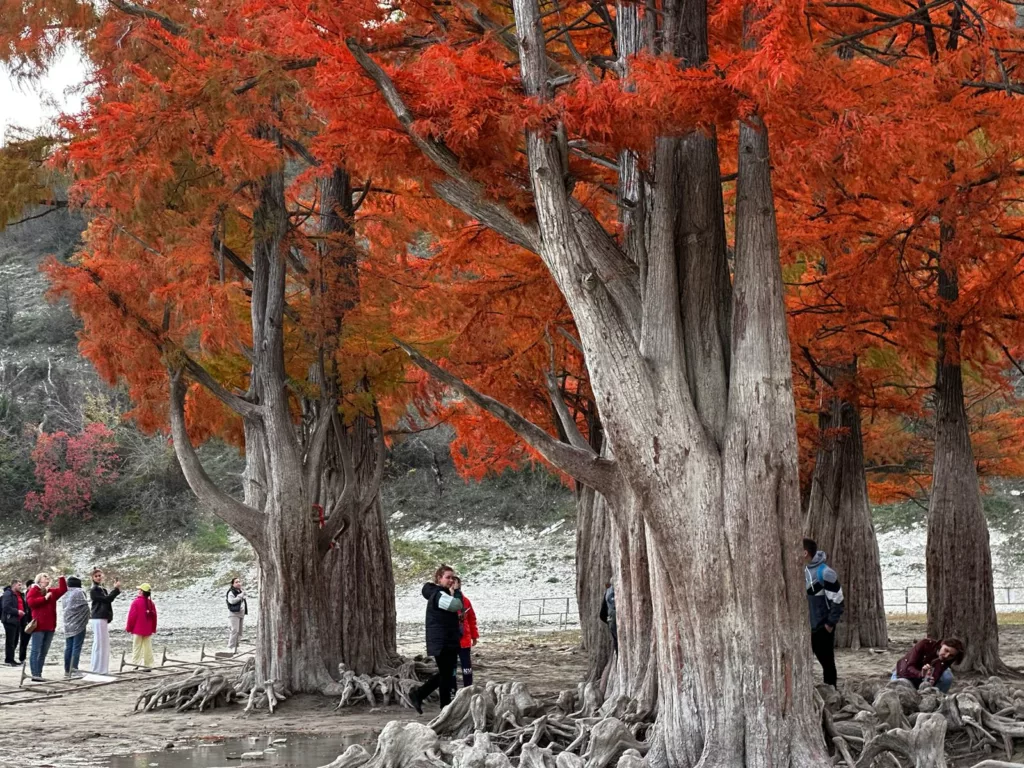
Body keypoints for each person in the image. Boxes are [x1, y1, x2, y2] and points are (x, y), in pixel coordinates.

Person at [410, 564, 463, 714]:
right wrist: (457, 592)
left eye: (453, 577)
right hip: (443, 642)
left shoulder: (441, 593)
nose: (451, 580)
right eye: (448, 577)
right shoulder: (439, 595)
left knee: (447, 674)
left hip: (447, 640)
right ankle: (421, 695)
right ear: (439, 579)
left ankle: (443, 705)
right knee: (446, 674)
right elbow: (456, 605)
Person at [803, 538, 844, 687]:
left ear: (805, 552)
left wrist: (829, 624)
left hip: (821, 627)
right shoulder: (802, 570)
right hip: (805, 627)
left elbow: (838, 599)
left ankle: (832, 692)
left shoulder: (826, 573)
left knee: (826, 662)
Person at [25, 573, 68, 682]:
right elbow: (30, 603)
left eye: (48, 577)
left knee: (43, 651)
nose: (47, 578)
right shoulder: (34, 590)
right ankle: (35, 674)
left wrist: (61, 577)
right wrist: (44, 598)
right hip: (38, 625)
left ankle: (38, 673)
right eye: (45, 577)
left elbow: (63, 590)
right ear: (39, 580)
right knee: (36, 650)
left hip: (50, 625)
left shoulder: (51, 591)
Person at [891, 637, 965, 693]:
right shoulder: (925, 644)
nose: (946, 656)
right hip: (903, 674)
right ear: (942, 644)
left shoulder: (949, 659)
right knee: (896, 694)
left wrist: (932, 681)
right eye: (946, 650)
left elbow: (938, 672)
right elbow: (909, 666)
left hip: (922, 679)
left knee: (947, 676)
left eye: (951, 655)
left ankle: (938, 698)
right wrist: (921, 674)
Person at [89, 568, 121, 675]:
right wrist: (115, 590)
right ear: (93, 578)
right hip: (98, 617)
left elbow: (107, 600)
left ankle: (101, 669)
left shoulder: (102, 589)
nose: (98, 577)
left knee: (103, 643)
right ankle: (97, 669)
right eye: (96, 576)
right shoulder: (94, 590)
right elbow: (107, 600)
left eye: (99, 575)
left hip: (102, 617)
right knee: (99, 643)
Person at [451, 576, 478, 687]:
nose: (452, 585)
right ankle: (452, 688)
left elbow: (472, 618)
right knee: (451, 666)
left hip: (464, 639)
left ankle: (468, 686)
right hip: (451, 639)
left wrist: (474, 636)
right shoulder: (445, 600)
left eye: (455, 583)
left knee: (466, 665)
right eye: (451, 583)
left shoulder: (466, 601)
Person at [62, 577, 90, 679]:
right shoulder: (79, 592)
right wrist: (86, 618)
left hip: (67, 623)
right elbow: (85, 607)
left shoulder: (65, 593)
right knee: (76, 647)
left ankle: (66, 670)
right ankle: (74, 669)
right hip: (78, 624)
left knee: (68, 646)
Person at [125, 584, 158, 669]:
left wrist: (129, 628)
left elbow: (132, 616)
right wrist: (153, 629)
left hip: (137, 629)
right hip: (148, 630)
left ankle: (135, 664)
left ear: (142, 592)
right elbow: (154, 618)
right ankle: (148, 665)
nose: (138, 590)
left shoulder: (136, 602)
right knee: (148, 647)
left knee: (136, 647)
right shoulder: (151, 603)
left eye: (139, 589)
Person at [1, 580, 25, 666]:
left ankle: (11, 658)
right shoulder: (8, 594)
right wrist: (17, 611)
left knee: (15, 640)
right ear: (14, 585)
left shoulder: (18, 594)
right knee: (10, 641)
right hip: (9, 620)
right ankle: (9, 659)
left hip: (17, 620)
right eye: (19, 585)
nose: (20, 587)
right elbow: (6, 607)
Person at [226, 577, 247, 652]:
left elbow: (243, 600)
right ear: (233, 584)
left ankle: (236, 647)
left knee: (239, 631)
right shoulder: (231, 592)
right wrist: (240, 596)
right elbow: (232, 601)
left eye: (239, 582)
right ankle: (230, 647)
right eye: (236, 582)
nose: (238, 583)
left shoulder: (240, 591)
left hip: (241, 613)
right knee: (234, 630)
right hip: (233, 613)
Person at [600, 582, 617, 654]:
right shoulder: (611, 592)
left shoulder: (608, 591)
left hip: (612, 621)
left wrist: (609, 621)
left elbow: (602, 614)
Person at [19, 579, 34, 664]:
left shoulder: (35, 594)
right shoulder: (23, 596)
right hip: (25, 621)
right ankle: (22, 658)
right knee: (24, 641)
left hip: (34, 620)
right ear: (28, 587)